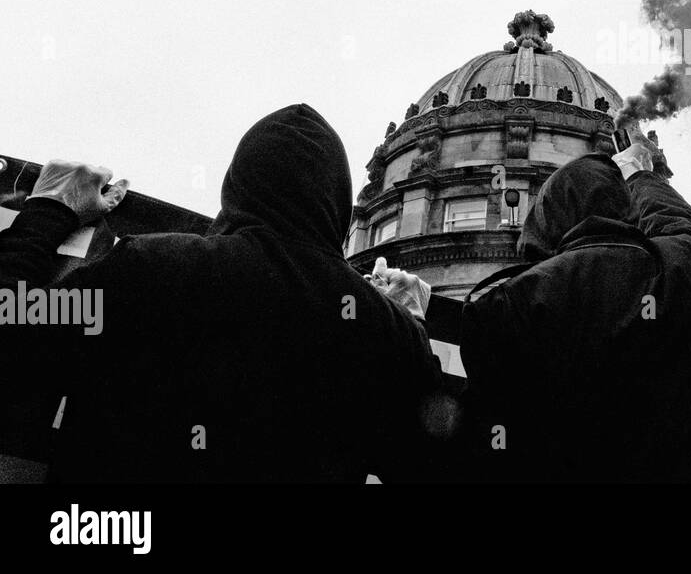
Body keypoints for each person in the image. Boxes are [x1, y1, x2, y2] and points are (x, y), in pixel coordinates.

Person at [0, 104, 441, 482]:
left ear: (236, 188)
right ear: (339, 208)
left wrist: (49, 210)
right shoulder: (386, 334)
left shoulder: (153, 268)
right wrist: (412, 326)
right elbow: (423, 464)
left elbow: (12, 328)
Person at [454, 134, 691, 482]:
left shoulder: (502, 305)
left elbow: (474, 442)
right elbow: (680, 226)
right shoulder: (681, 271)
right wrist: (640, 176)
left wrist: (412, 320)